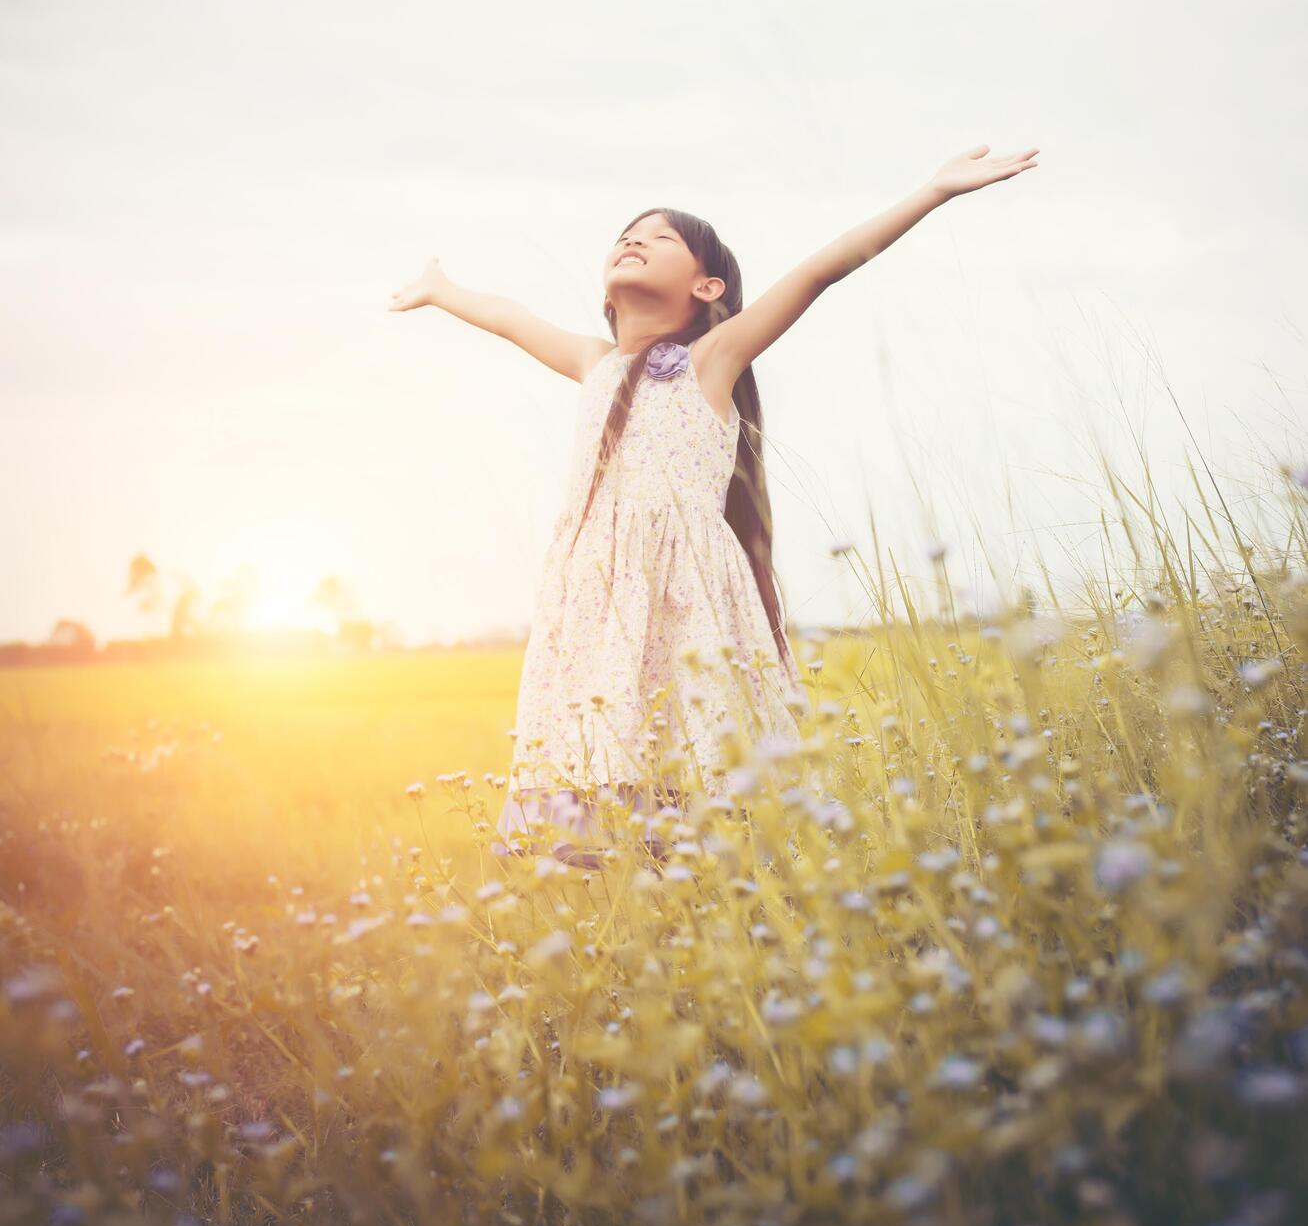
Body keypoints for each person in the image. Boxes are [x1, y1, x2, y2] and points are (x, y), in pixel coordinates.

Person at [389, 144, 1039, 867]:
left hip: (690, 592)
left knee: (701, 766)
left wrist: (934, 191)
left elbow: (822, 270)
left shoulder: (714, 358)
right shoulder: (592, 363)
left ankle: (719, 901)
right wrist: (442, 288)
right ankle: (650, 916)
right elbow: (508, 315)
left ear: (707, 287)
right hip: (598, 597)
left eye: (661, 237)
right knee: (610, 758)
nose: (634, 240)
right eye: (626, 235)